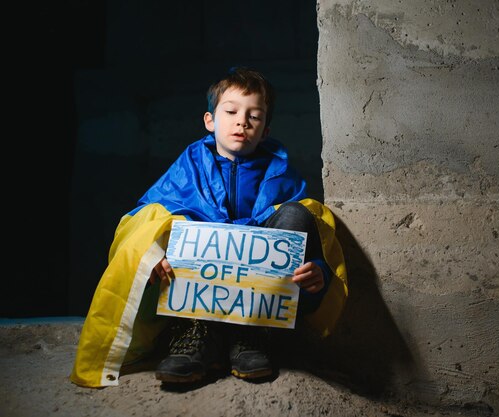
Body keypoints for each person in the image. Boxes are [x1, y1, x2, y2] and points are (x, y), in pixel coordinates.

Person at [70, 67, 348, 388]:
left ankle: (250, 335)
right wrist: (149, 258)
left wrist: (318, 274)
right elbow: (147, 221)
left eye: (254, 116)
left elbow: (308, 246)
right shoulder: (188, 167)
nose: (242, 122)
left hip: (257, 307)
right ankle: (194, 336)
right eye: (231, 111)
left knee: (298, 214)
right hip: (195, 303)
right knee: (161, 220)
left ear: (265, 130)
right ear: (210, 121)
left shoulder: (281, 173)